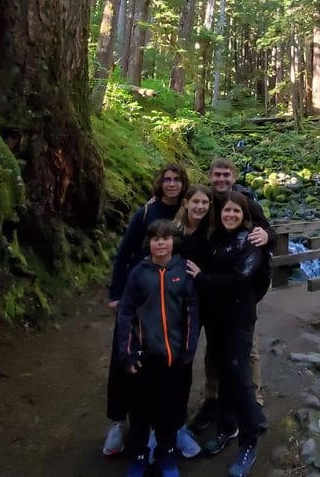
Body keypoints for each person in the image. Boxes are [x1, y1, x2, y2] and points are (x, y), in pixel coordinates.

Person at [104, 165, 192, 457]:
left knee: (172, 363)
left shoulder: (189, 211)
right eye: (166, 179)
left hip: (172, 300)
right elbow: (125, 251)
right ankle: (118, 420)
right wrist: (116, 293)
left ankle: (171, 425)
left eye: (176, 179)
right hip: (138, 293)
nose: (171, 184)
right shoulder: (145, 213)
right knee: (124, 360)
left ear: (184, 184)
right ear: (159, 183)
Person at [190, 158, 274, 431]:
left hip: (243, 287)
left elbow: (269, 231)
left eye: (226, 174)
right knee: (214, 347)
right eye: (217, 174)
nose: (221, 179)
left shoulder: (246, 202)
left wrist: (266, 236)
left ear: (234, 175)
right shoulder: (206, 201)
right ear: (210, 176)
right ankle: (212, 398)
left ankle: (254, 401)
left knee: (247, 348)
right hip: (214, 285)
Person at [186, 192, 266, 477]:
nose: (229, 215)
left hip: (239, 319)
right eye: (226, 211)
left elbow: (241, 277)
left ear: (244, 215)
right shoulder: (217, 238)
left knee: (239, 377)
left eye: (235, 211)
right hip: (218, 318)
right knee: (224, 374)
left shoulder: (250, 241)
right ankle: (225, 427)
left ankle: (249, 442)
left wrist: (201, 279)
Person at [116, 220, 200, 477]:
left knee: (168, 409)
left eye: (165, 238)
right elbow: (126, 313)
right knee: (140, 409)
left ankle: (166, 454)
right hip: (144, 356)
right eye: (155, 239)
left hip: (173, 356)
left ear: (173, 241)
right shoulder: (139, 274)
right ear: (148, 243)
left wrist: (188, 348)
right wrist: (127, 352)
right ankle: (140, 455)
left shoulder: (183, 272)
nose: (160, 243)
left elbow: (192, 312)